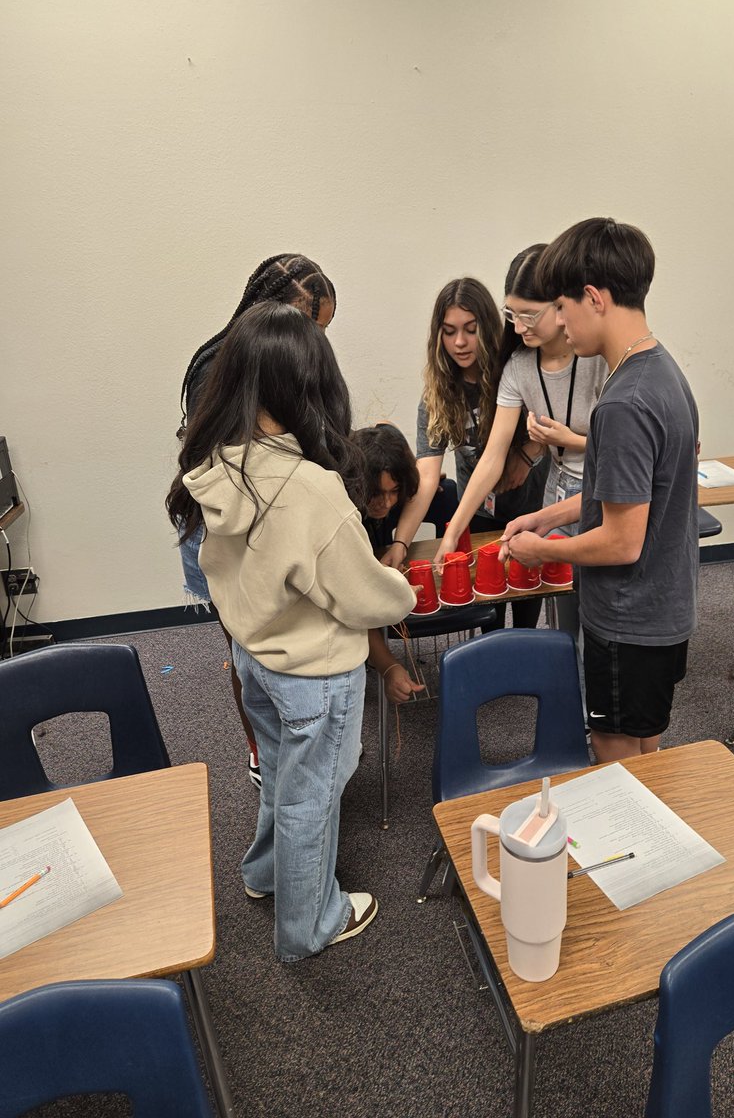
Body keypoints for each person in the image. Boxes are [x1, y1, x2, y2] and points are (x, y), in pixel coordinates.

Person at [167, 300, 416, 959]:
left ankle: (267, 874)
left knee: (282, 778)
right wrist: (404, 588)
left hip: (256, 661)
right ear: (308, 383)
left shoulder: (220, 464)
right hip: (314, 674)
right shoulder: (309, 488)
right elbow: (363, 596)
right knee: (315, 797)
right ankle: (311, 924)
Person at [499, 218, 699, 764]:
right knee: (646, 749)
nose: (561, 324)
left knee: (618, 766)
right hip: (664, 606)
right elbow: (631, 497)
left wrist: (545, 550)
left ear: (593, 298)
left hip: (628, 616)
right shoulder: (663, 372)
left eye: (562, 307)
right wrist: (546, 517)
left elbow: (621, 541)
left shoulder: (622, 403)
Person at [177, 254, 337, 788]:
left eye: (323, 331)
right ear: (273, 310)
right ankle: (261, 753)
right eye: (312, 325)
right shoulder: (218, 365)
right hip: (227, 530)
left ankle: (290, 748)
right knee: (247, 651)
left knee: (280, 646)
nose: (316, 341)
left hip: (270, 524)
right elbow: (229, 473)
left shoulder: (286, 362)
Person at [434, 245, 607, 637]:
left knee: (599, 605)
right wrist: (450, 535)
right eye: (512, 315)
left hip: (603, 488)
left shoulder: (597, 357)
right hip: (558, 491)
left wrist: (572, 439)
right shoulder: (517, 367)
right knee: (561, 609)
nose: (518, 327)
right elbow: (492, 459)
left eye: (529, 315)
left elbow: (625, 446)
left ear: (562, 306)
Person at [385, 277, 548, 630]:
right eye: (449, 331)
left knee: (526, 607)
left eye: (470, 330)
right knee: (488, 607)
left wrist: (528, 455)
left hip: (531, 507)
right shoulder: (438, 395)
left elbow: (554, 416)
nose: (459, 342)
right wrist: (401, 541)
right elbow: (425, 477)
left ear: (488, 328)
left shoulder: (515, 371)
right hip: (479, 511)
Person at [352, 422, 449, 703]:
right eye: (376, 492)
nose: (385, 502)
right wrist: (389, 666)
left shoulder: (400, 488)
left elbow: (413, 480)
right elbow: (356, 612)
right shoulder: (343, 516)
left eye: (394, 491)